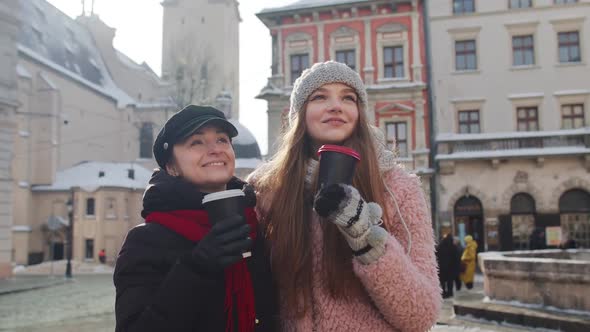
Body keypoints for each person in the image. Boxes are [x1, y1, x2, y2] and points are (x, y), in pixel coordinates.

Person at [248, 61, 441, 331]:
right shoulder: (267, 190)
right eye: (319, 97)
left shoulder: (397, 188)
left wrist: (368, 243)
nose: (336, 105)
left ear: (359, 113)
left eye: (348, 98)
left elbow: (420, 316)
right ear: (299, 114)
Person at [113, 105, 276, 332]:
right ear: (171, 167)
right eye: (196, 143)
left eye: (222, 140)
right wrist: (197, 267)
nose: (215, 149)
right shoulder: (146, 241)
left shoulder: (258, 225)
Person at [436, 234, 459, 298]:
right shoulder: (453, 247)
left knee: (442, 281)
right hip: (450, 268)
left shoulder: (440, 246)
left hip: (442, 267)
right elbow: (456, 258)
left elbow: (436, 256)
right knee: (450, 281)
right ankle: (450, 292)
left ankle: (443, 292)